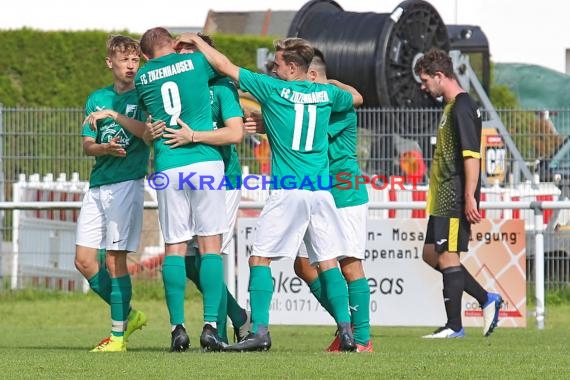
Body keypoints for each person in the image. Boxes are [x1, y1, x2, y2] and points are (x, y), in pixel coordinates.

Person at [184, 33, 363, 352]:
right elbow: (354, 97)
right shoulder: (325, 93)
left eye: (277, 63)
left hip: (290, 189)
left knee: (259, 258)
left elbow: (224, 65)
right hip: (321, 190)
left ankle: (260, 331)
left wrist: (196, 42)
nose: (272, 69)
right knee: (327, 262)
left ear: (293, 67)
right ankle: (348, 333)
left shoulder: (274, 89)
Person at [135, 27, 227, 352]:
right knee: (210, 244)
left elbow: (148, 121)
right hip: (204, 161)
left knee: (175, 246)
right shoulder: (198, 62)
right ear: (175, 44)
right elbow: (225, 65)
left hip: (169, 164)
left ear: (145, 55)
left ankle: (177, 328)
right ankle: (212, 327)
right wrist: (199, 43)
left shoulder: (142, 77)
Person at [166, 32, 251, 343]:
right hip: (185, 179)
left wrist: (194, 137)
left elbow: (233, 134)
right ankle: (239, 316)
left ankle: (216, 332)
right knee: (187, 260)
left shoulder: (221, 87)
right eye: (180, 50)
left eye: (190, 50)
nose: (183, 57)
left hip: (222, 181)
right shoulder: (173, 89)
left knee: (209, 255)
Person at [413, 48, 503, 338]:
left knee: (448, 258)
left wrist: (469, 196)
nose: (423, 86)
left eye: (426, 80)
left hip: (454, 196)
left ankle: (454, 326)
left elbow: (471, 156)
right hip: (441, 198)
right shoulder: (451, 107)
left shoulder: (463, 106)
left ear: (440, 76)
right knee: (431, 254)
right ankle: (486, 298)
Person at [292, 49, 372, 352]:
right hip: (319, 193)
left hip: (345, 191)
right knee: (303, 264)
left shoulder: (334, 105)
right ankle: (346, 326)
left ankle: (361, 338)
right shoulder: (329, 95)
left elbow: (306, 137)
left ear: (311, 76)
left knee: (350, 264)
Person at [75, 35, 149, 352]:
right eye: (125, 60)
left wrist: (117, 117)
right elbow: (87, 143)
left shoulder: (145, 97)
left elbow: (147, 134)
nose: (131, 66)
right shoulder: (96, 98)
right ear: (110, 63)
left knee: (116, 260)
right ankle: (129, 314)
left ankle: (117, 337)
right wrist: (102, 147)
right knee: (84, 261)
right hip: (97, 184)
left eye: (136, 60)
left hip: (126, 182)